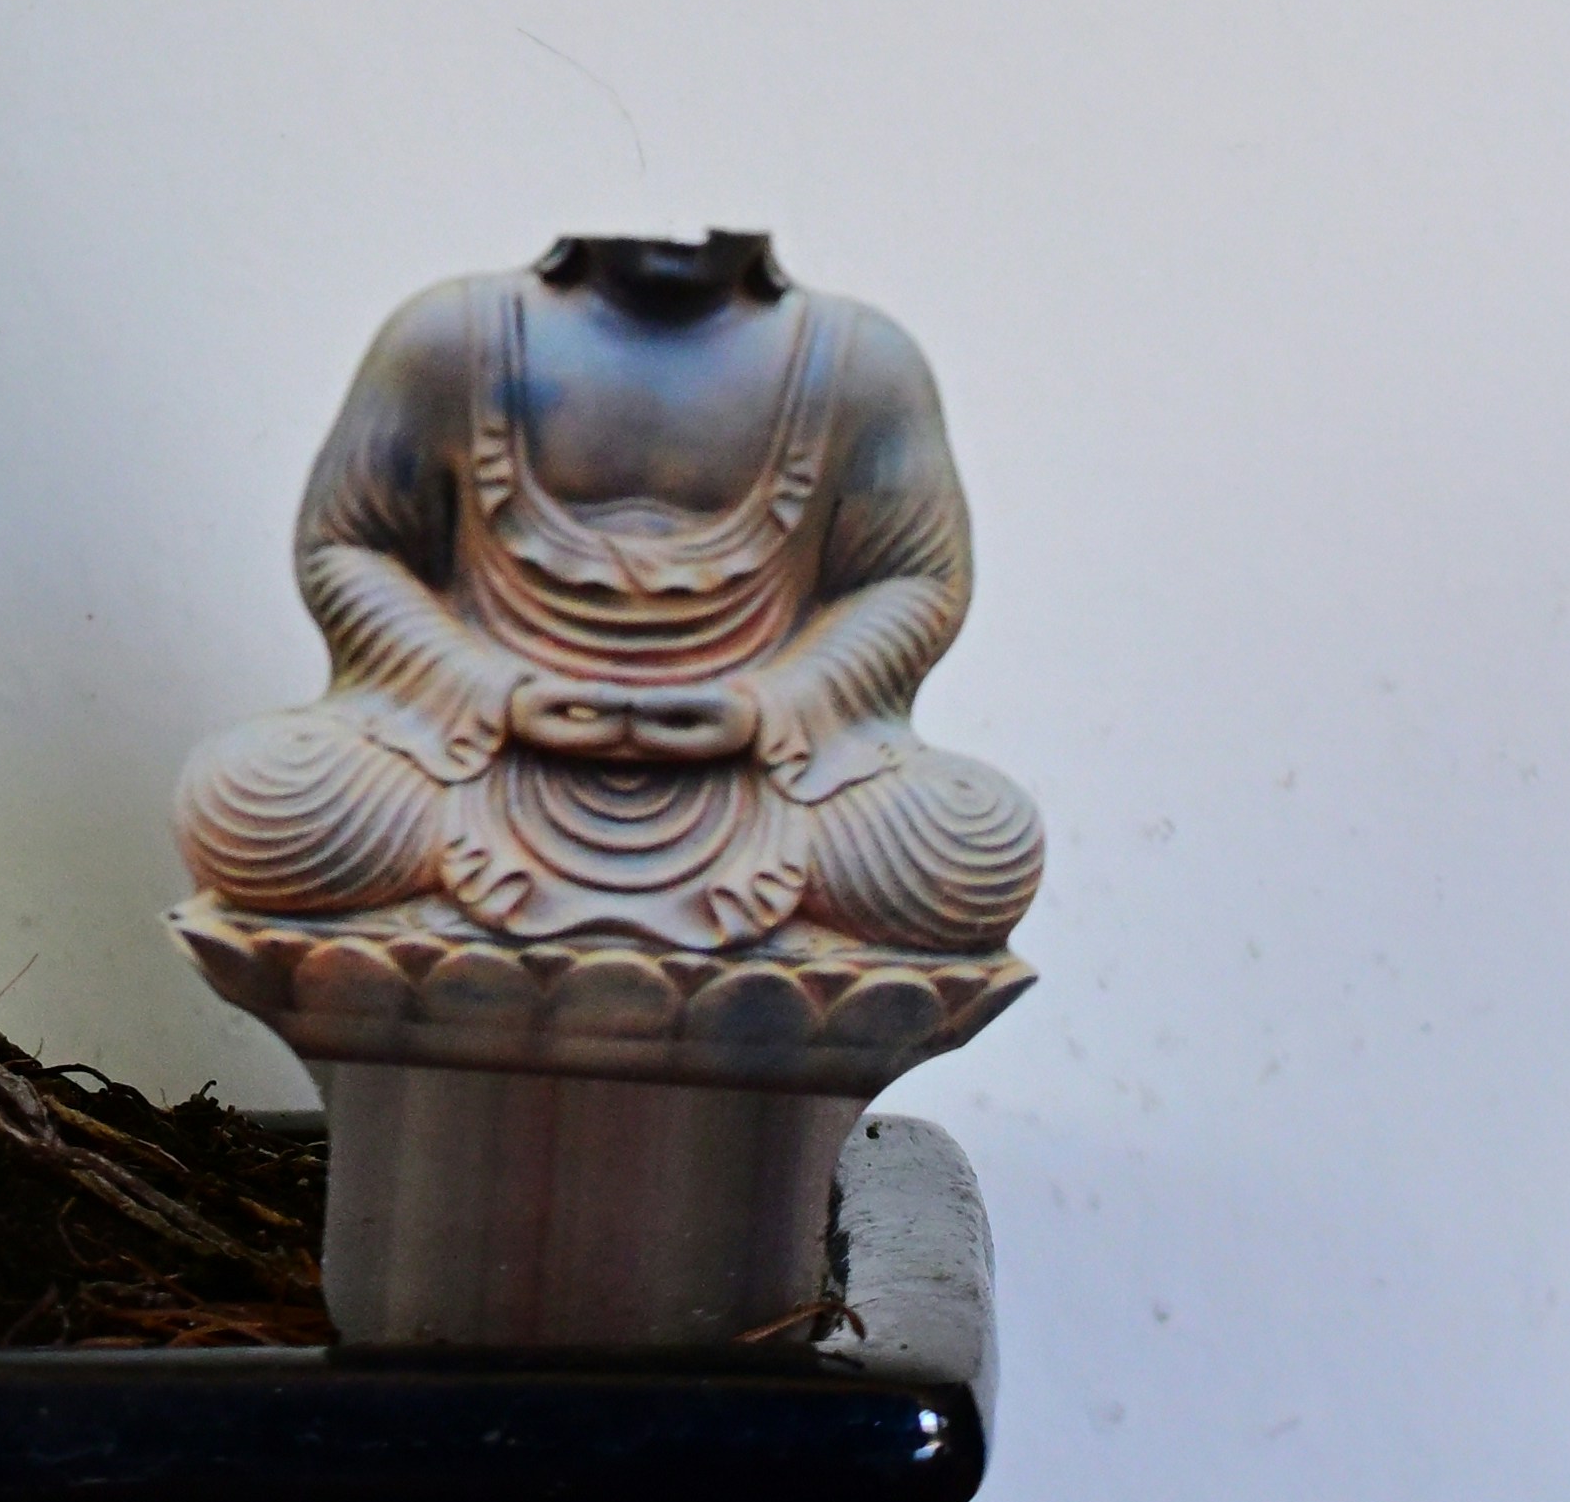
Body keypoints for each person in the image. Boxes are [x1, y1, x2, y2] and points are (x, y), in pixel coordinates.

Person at [175, 234, 1043, 961]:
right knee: (250, 800)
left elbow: (913, 581)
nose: (676, 229)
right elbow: (349, 549)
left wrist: (769, 705)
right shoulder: (452, 337)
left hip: (753, 787)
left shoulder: (860, 363)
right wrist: (493, 692)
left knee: (972, 845)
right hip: (485, 767)